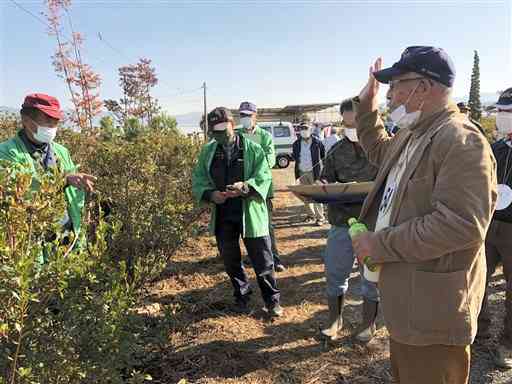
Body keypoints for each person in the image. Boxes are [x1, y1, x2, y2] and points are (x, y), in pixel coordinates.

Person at [351, 47, 496, 383]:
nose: (391, 94)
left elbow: (461, 224)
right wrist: (367, 106)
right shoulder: (413, 133)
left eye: (397, 84)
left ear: (424, 87)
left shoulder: (460, 140)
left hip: (435, 313)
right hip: (411, 304)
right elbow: (377, 150)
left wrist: (380, 244)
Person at [192, 107, 282, 317]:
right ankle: (242, 295)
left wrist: (245, 187)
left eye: (224, 128)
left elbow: (263, 176)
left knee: (263, 258)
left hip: (250, 211)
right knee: (231, 259)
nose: (220, 133)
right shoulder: (209, 151)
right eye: (215, 130)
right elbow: (198, 179)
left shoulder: (252, 149)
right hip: (224, 213)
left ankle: (272, 300)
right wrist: (210, 194)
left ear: (233, 125)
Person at [0, 93, 96, 262]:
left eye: (56, 121)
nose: (53, 126)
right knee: (34, 278)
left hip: (65, 230)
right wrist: (64, 179)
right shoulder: (6, 151)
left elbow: (73, 192)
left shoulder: (61, 151)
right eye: (48, 120)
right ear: (27, 120)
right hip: (30, 234)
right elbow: (17, 187)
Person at [319, 98, 379, 342]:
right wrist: (323, 186)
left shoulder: (381, 148)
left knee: (372, 277)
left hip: (373, 224)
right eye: (348, 121)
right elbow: (325, 179)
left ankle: (368, 324)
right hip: (342, 222)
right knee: (335, 272)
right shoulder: (336, 150)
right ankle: (335, 321)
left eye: (357, 120)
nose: (353, 126)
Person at [478, 87, 512, 368]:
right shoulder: (496, 148)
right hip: (489, 226)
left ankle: (508, 344)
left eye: (506, 113)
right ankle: (479, 328)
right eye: (499, 111)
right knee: (477, 278)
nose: (501, 118)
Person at [237, 101, 286, 272]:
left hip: (261, 189)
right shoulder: (236, 134)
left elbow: (270, 161)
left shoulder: (264, 136)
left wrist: (251, 167)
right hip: (240, 189)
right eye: (242, 115)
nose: (245, 118)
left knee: (266, 225)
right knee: (246, 225)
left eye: (248, 115)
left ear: (255, 116)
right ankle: (253, 257)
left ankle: (275, 258)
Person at [292, 124, 326, 226]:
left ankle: (320, 217)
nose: (304, 130)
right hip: (302, 172)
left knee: (317, 195)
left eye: (306, 128)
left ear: (310, 130)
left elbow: (323, 156)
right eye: (302, 129)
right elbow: (295, 157)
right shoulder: (296, 144)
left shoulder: (317, 142)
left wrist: (323, 170)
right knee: (306, 196)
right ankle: (311, 215)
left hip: (314, 173)